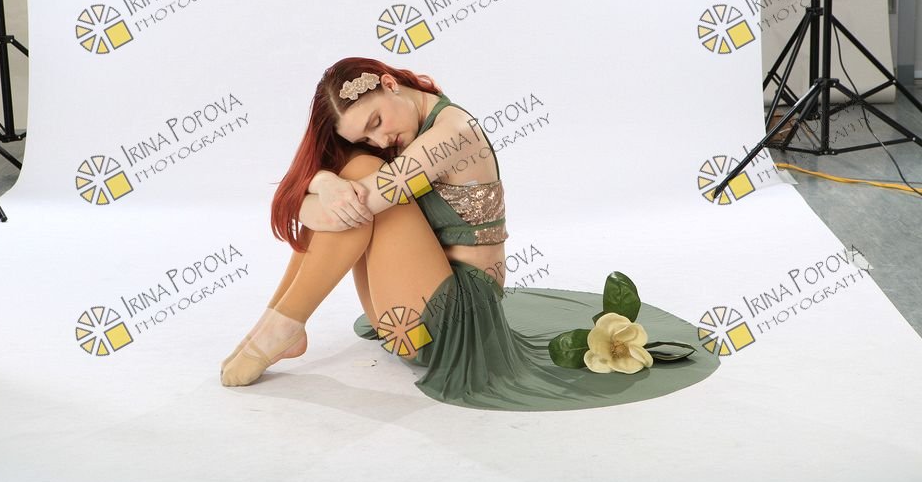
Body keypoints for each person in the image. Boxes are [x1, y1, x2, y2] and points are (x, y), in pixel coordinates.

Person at [220, 57, 717, 411]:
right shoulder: (404, 133)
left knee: (359, 185)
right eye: (365, 135)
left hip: (450, 328)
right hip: (402, 320)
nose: (379, 137)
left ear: (390, 83)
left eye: (375, 121)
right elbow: (337, 207)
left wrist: (322, 188)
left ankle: (282, 327)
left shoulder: (452, 134)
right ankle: (280, 325)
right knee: (354, 178)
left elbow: (344, 211)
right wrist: (326, 182)